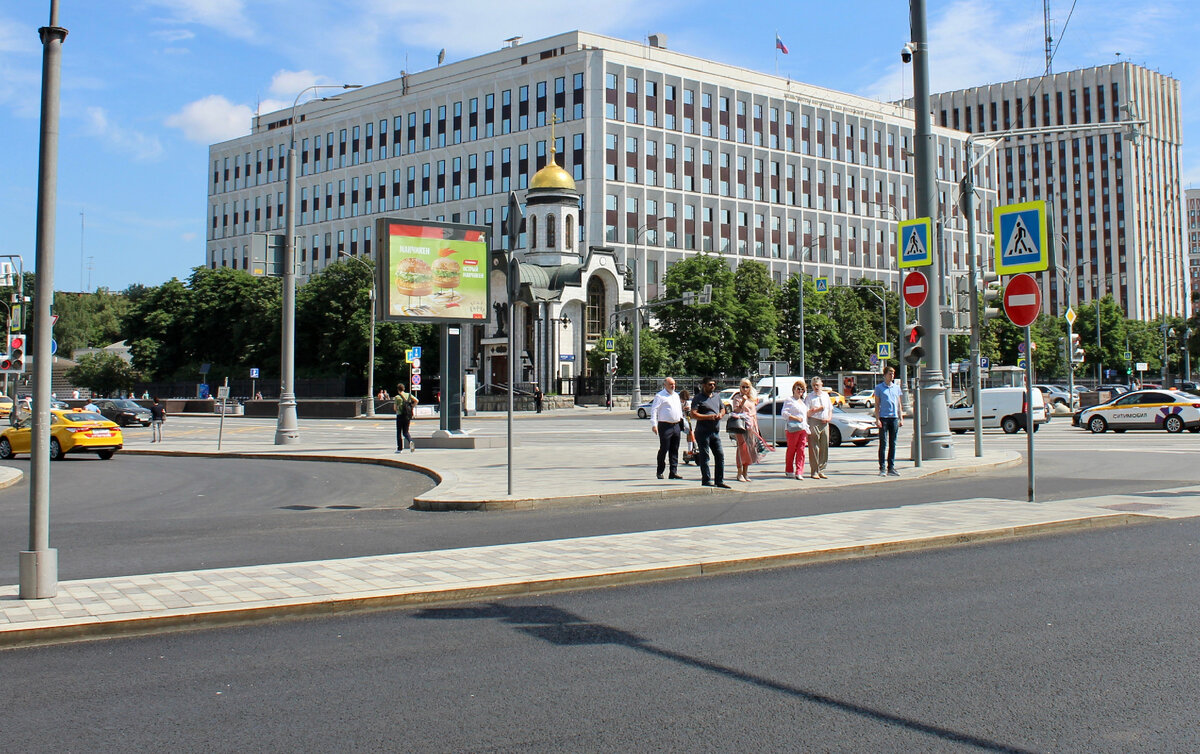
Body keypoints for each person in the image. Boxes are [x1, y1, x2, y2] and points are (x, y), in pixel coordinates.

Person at [690, 377, 731, 488]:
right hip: (703, 432)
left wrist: (721, 414)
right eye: (709, 384)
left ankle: (719, 480)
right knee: (705, 457)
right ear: (704, 385)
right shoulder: (698, 398)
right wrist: (709, 417)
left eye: (713, 384)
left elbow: (723, 409)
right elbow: (694, 414)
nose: (712, 386)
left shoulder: (717, 397)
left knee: (720, 456)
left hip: (715, 432)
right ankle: (706, 480)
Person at [649, 377, 684, 480]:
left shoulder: (676, 395)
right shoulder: (660, 396)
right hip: (665, 426)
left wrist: (683, 423)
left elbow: (679, 410)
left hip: (676, 425)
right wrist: (654, 424)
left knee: (675, 449)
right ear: (665, 385)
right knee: (664, 449)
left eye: (674, 384)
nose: (673, 386)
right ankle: (660, 471)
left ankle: (673, 472)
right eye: (670, 384)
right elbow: (654, 410)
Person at [873, 366, 905, 477]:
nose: (892, 375)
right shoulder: (879, 388)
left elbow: (899, 404)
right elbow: (877, 405)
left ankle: (891, 467)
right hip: (884, 418)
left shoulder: (896, 388)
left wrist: (901, 417)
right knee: (883, 443)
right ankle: (882, 468)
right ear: (885, 375)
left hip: (894, 418)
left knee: (893, 443)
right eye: (890, 373)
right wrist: (877, 419)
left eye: (893, 373)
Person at [730, 378, 762, 482]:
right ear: (740, 387)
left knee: (749, 450)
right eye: (743, 386)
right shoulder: (737, 398)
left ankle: (745, 472)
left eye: (747, 387)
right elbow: (736, 410)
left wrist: (756, 428)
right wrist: (742, 401)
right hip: (741, 426)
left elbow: (754, 414)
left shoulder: (751, 399)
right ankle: (739, 473)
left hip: (751, 427)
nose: (745, 389)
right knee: (741, 449)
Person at [805, 376, 833, 479]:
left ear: (821, 385)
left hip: (825, 422)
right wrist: (816, 410)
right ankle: (814, 471)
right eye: (814, 385)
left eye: (817, 385)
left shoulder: (825, 395)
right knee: (814, 447)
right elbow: (807, 412)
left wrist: (829, 418)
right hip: (814, 422)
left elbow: (830, 409)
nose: (816, 387)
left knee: (824, 446)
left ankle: (822, 469)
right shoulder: (809, 397)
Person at [781, 379, 810, 479]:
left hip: (803, 428)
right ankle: (789, 470)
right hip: (793, 428)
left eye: (802, 389)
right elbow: (784, 413)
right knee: (792, 449)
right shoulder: (789, 400)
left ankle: (799, 471)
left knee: (801, 450)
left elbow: (806, 415)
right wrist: (795, 418)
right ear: (794, 389)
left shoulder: (802, 402)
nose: (800, 391)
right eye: (798, 388)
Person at [394, 384, 419, 453]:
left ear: (398, 390)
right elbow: (416, 400)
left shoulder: (397, 397)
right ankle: (410, 441)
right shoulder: (409, 395)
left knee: (399, 432)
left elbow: (395, 408)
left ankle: (399, 449)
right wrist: (411, 406)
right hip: (407, 416)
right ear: (404, 389)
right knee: (405, 432)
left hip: (400, 416)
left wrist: (398, 409)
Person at [678, 389, 696, 465]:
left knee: (690, 432)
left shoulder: (686, 403)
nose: (683, 401)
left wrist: (688, 411)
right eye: (683, 399)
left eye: (684, 400)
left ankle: (690, 451)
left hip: (684, 420)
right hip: (677, 420)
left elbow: (689, 414)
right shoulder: (677, 402)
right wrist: (682, 409)